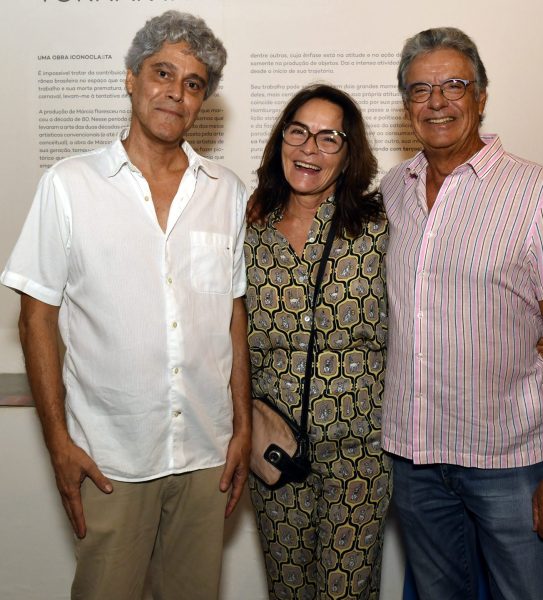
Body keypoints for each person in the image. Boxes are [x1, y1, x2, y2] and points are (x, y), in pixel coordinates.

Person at [1, 11, 250, 600]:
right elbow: (35, 316)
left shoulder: (227, 192)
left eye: (193, 84)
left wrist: (240, 428)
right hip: (111, 457)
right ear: (131, 78)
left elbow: (233, 319)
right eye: (163, 72)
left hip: (204, 453)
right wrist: (59, 443)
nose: (176, 92)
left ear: (202, 101)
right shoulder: (69, 185)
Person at [381, 27, 543, 599]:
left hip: (511, 463)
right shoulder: (392, 191)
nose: (438, 101)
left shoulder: (539, 192)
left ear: (481, 96)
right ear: (406, 105)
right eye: (421, 89)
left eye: (455, 84)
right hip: (416, 460)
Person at [245, 84, 391, 599]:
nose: (310, 149)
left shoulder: (378, 226)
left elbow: (435, 295)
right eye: (299, 131)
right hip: (273, 450)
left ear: (349, 154)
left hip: (360, 456)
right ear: (280, 138)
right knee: (287, 591)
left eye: (330, 138)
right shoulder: (247, 231)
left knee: (344, 594)